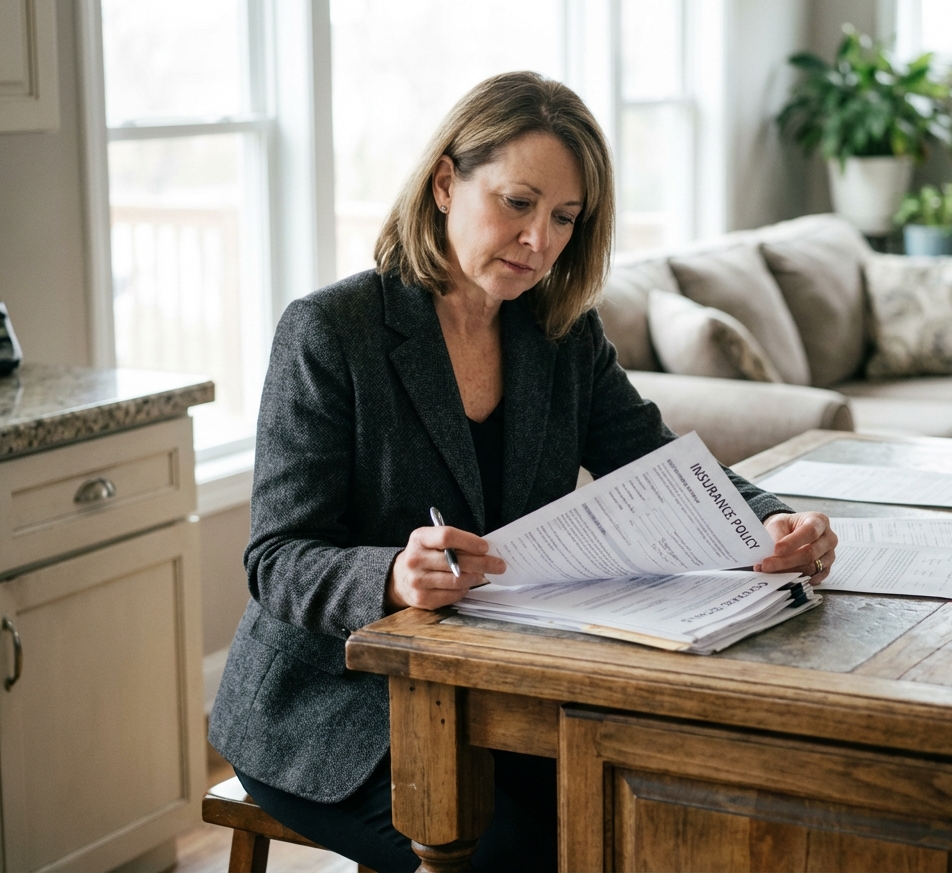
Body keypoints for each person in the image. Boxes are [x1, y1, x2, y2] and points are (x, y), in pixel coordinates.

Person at [208, 71, 837, 872]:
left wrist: (772, 521)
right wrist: (392, 578)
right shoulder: (331, 331)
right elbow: (277, 559)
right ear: (445, 182)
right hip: (331, 710)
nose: (539, 239)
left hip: (500, 693)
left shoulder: (561, 333)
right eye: (517, 202)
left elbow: (660, 459)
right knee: (527, 855)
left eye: (565, 218)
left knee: (661, 812)